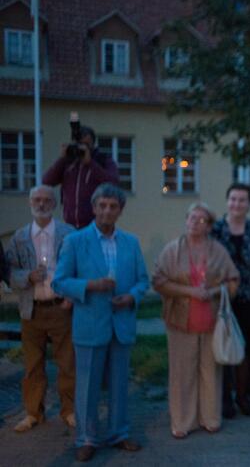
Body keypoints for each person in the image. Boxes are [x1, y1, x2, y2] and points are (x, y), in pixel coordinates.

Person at [52, 184, 149, 462]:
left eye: (113, 206)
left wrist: (131, 297)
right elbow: (59, 282)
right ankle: (86, 438)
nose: (107, 210)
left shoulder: (130, 242)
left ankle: (119, 433)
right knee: (87, 387)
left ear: (120, 210)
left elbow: (143, 280)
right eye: (102, 205)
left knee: (120, 385)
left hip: (121, 323)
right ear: (94, 208)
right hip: (90, 324)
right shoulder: (75, 241)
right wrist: (90, 285)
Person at [152, 203, 240, 439]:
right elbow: (158, 281)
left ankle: (210, 418)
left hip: (212, 321)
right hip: (180, 321)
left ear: (209, 226)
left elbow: (233, 280)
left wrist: (211, 292)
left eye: (202, 220)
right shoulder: (172, 250)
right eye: (192, 217)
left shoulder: (218, 250)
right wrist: (189, 292)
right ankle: (182, 421)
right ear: (186, 219)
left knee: (210, 371)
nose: (195, 222)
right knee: (182, 373)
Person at [5, 186, 76, 432]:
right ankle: (34, 413)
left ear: (54, 203)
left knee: (67, 363)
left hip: (61, 307)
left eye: (47, 200)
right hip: (31, 309)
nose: (42, 204)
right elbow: (9, 274)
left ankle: (69, 410)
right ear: (29, 202)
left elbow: (80, 268)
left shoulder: (69, 234)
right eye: (37, 199)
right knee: (33, 364)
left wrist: (72, 297)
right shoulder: (19, 237)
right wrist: (27, 276)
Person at [211, 183, 250, 418]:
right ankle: (224, 398)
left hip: (249, 296)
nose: (237, 204)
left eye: (242, 200)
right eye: (233, 199)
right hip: (223, 297)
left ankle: (242, 395)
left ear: (248, 204)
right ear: (227, 201)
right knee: (223, 345)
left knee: (245, 349)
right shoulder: (215, 230)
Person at [42, 125, 118, 229]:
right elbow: (47, 181)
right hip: (70, 224)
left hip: (95, 224)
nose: (82, 147)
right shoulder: (69, 162)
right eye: (79, 143)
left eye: (86, 144)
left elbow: (113, 182)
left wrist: (90, 163)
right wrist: (62, 159)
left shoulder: (102, 159)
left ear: (93, 144)